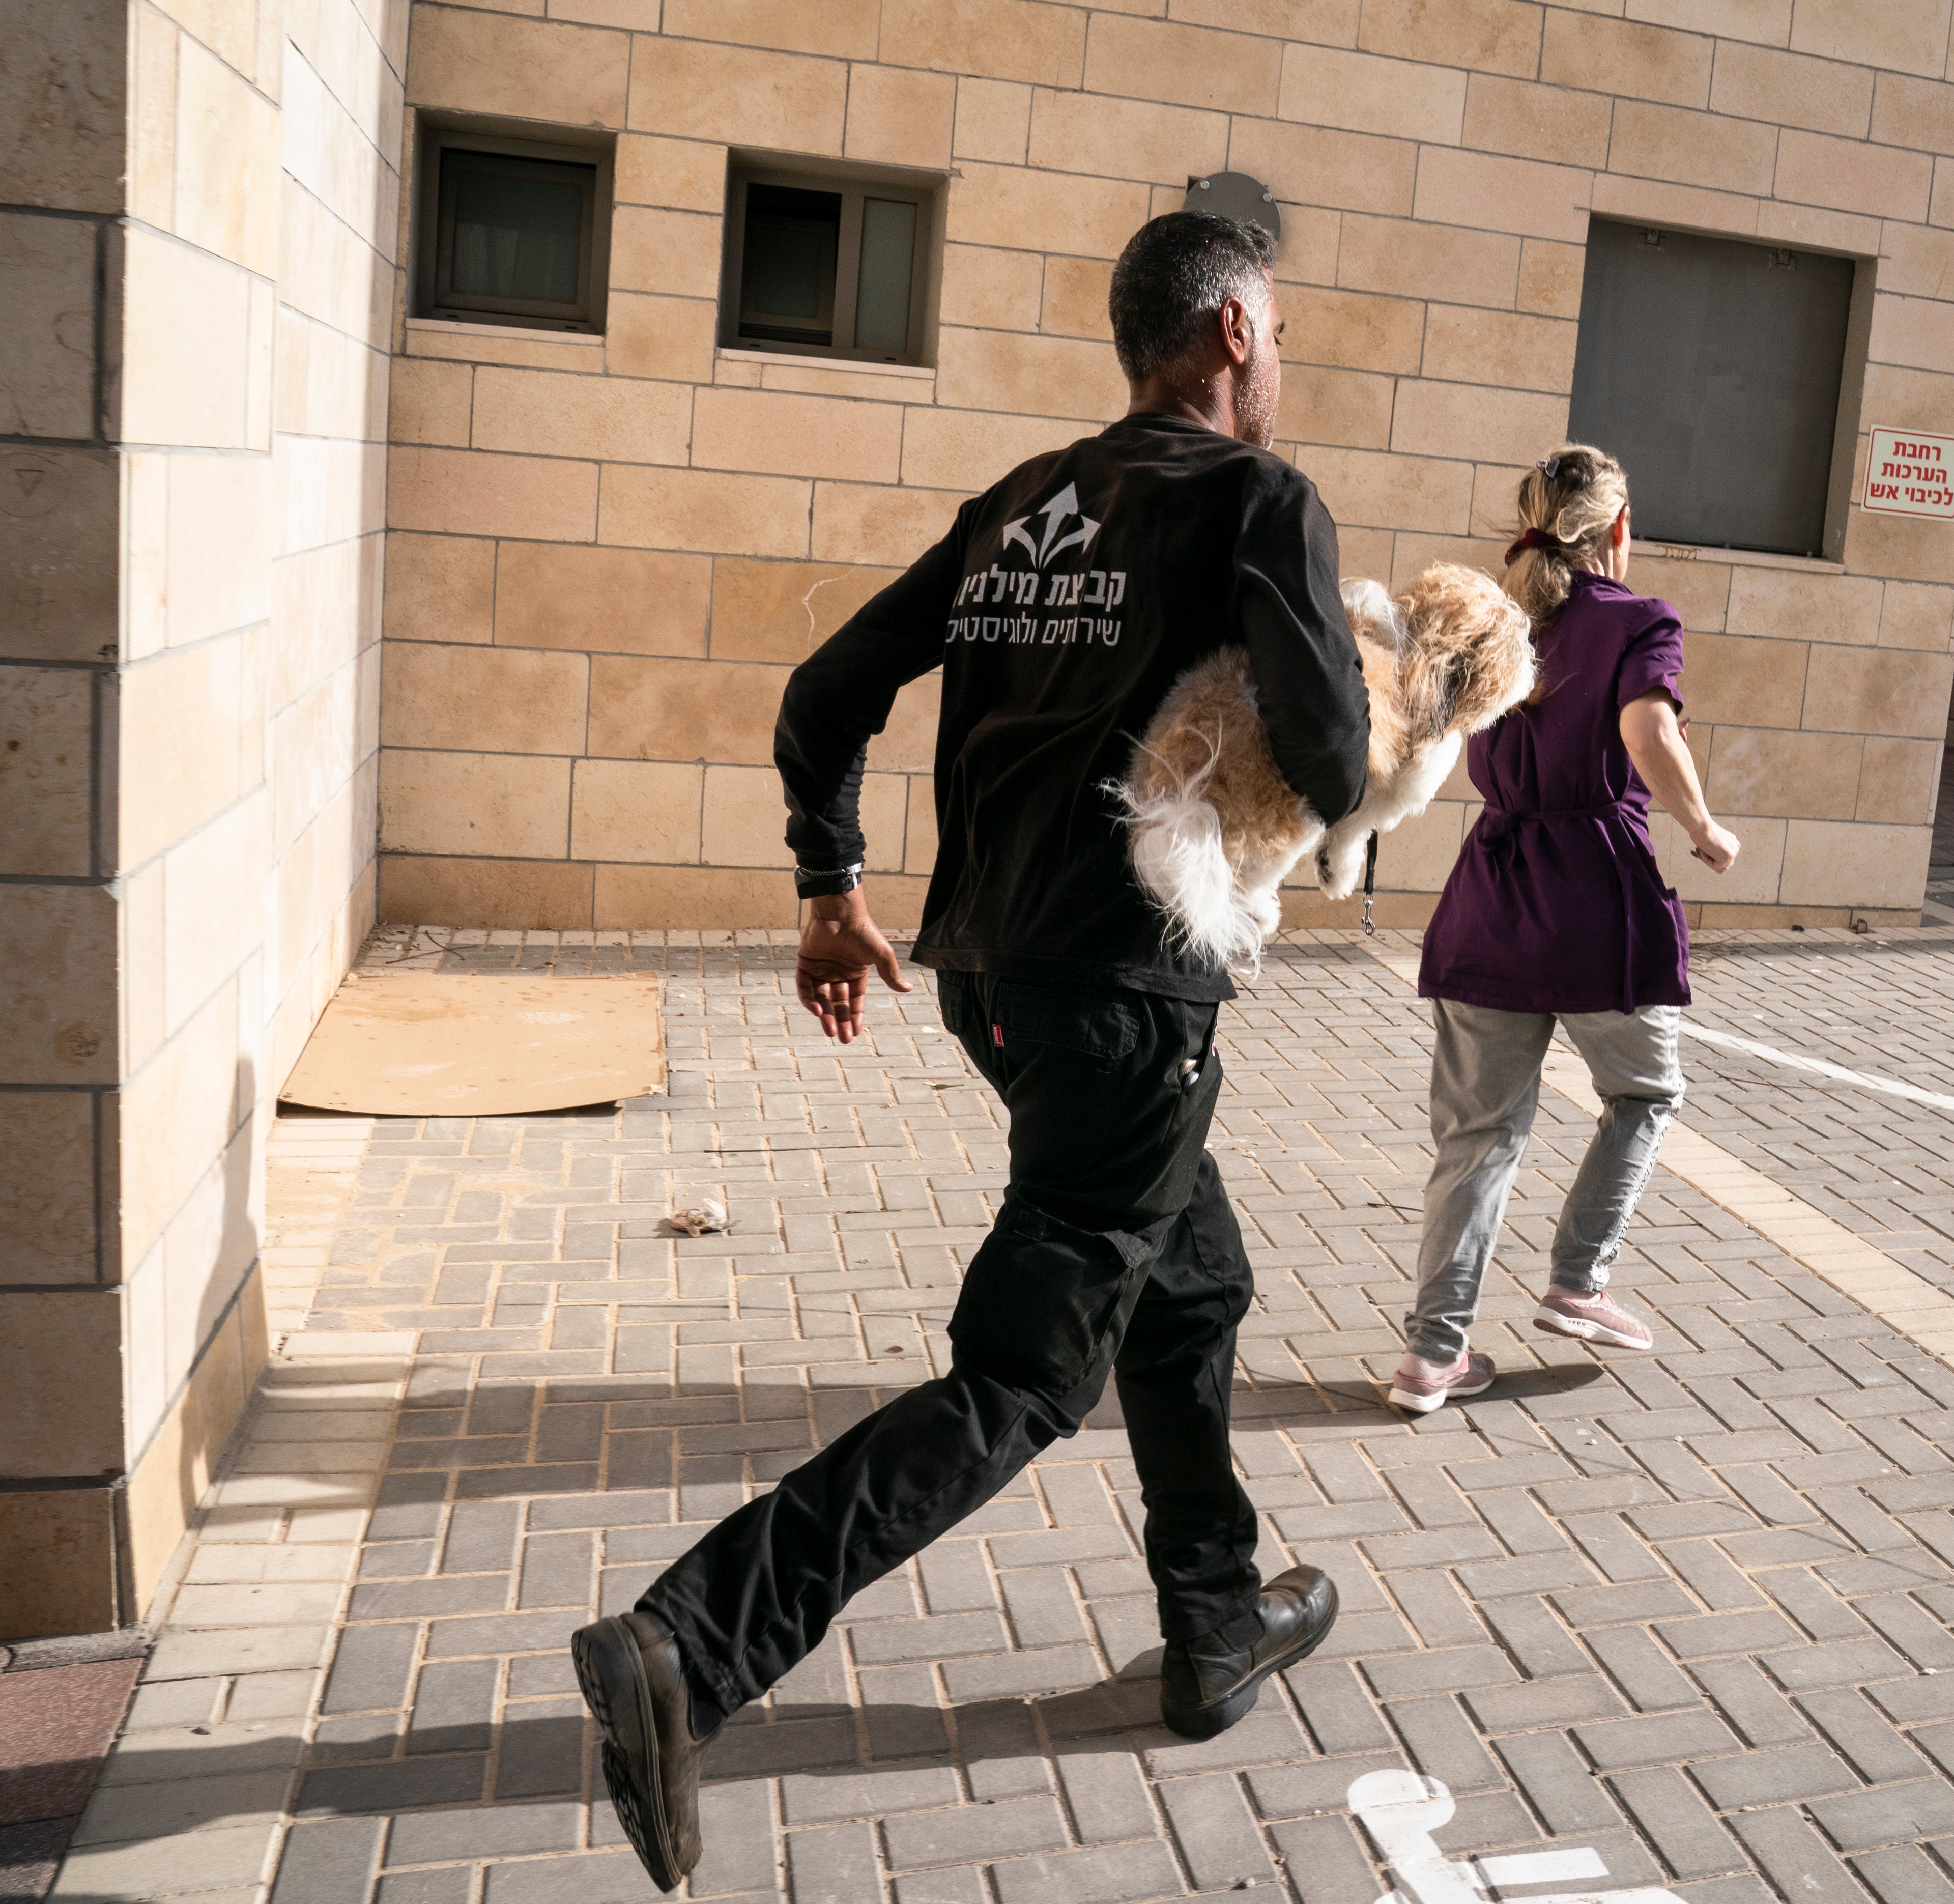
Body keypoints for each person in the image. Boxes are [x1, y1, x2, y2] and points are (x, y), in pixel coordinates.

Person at [569, 212, 1365, 1892]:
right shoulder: (1256, 502)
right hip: (1126, 998)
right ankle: (691, 1645)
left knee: (1191, 1277)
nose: (1280, 359)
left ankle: (1213, 1619)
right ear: (1228, 329)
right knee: (1027, 1372)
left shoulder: (1023, 506)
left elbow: (824, 692)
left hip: (993, 980)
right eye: (1276, 328)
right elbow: (1336, 763)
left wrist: (825, 883)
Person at [1384, 445, 1742, 1414]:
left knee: (1477, 1140)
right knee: (1644, 1089)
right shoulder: (1638, 619)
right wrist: (1704, 829)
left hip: (1491, 896)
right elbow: (1647, 732)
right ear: (1620, 530)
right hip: (1595, 901)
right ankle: (1579, 1281)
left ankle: (1431, 1358)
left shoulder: (1491, 621)